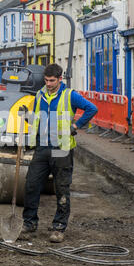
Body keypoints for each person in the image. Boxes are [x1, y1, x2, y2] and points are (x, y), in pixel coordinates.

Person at [22, 64, 98, 243]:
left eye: (52, 81)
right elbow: (36, 118)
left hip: (61, 150)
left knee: (61, 188)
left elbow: (92, 108)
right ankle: (29, 223)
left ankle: (58, 227)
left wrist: (75, 126)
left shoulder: (69, 95)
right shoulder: (40, 94)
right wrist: (26, 116)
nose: (48, 84)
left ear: (59, 79)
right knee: (31, 185)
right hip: (42, 148)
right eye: (46, 80)